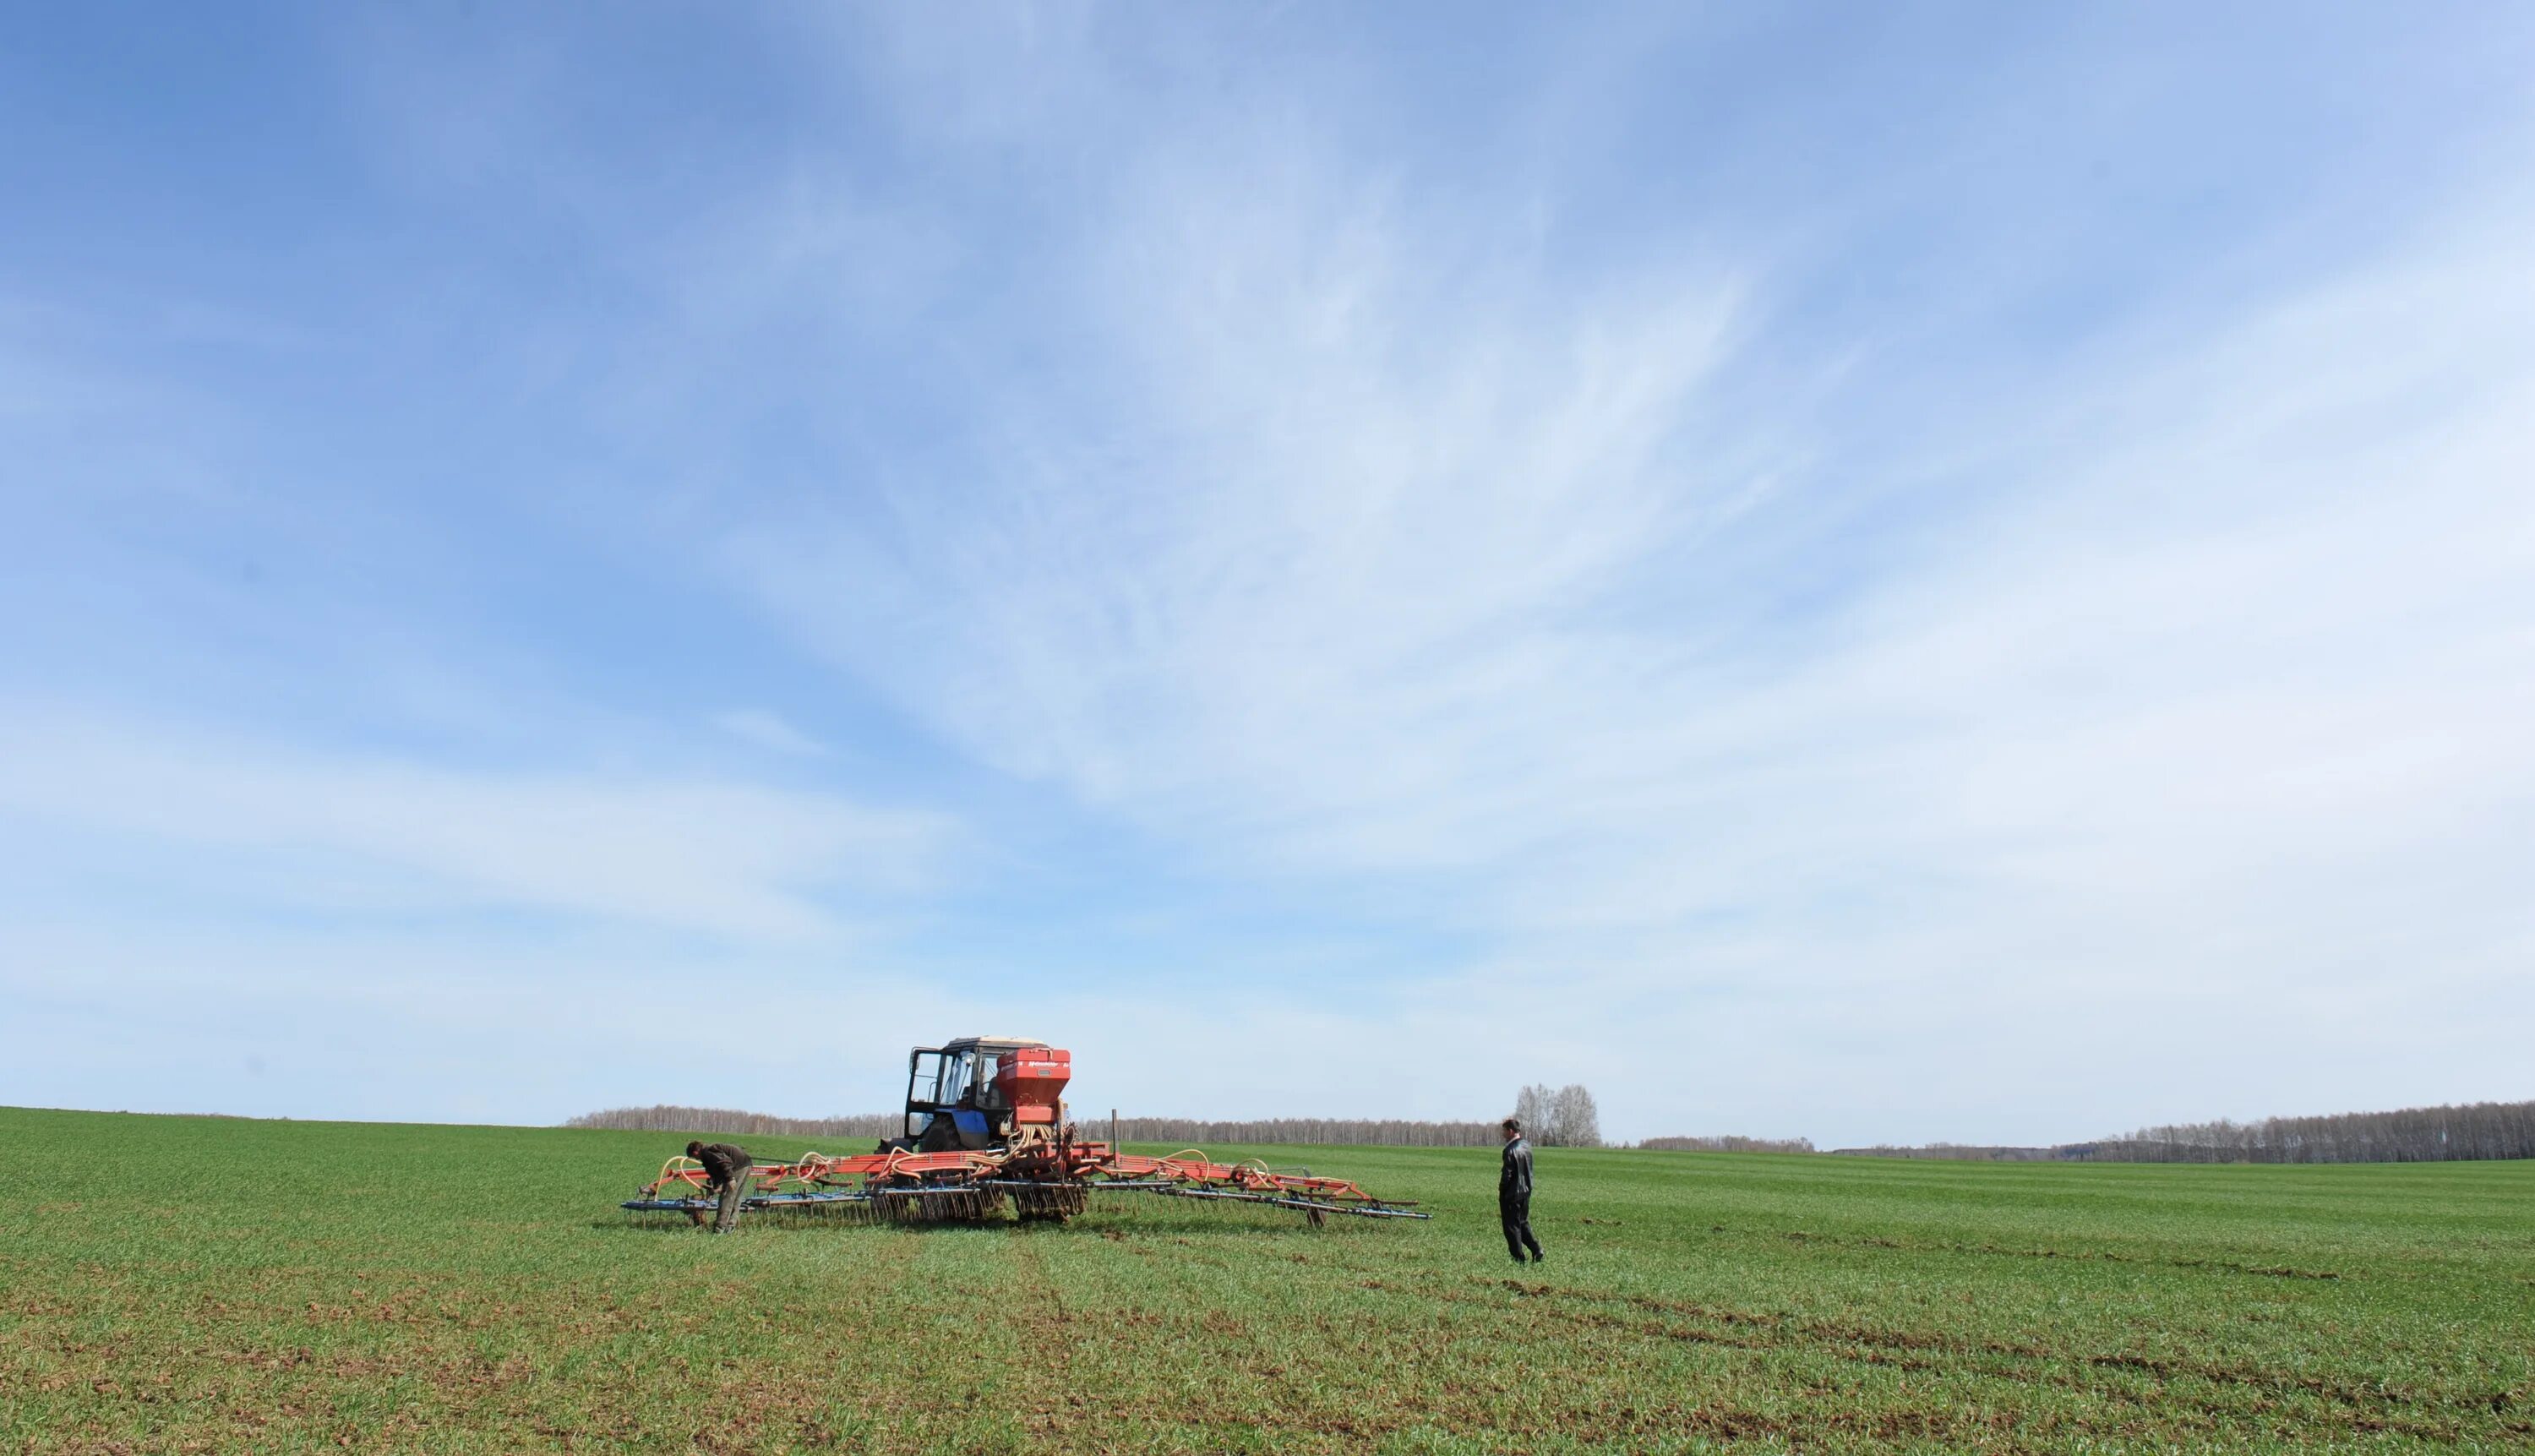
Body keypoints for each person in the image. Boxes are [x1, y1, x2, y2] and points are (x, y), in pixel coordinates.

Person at [685, 1140, 753, 1235]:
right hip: (746, 1164)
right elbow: (717, 1172)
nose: (697, 1159)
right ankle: (730, 1226)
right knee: (736, 1198)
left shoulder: (709, 1152)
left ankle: (719, 1228)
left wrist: (730, 1178)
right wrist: (716, 1186)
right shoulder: (708, 1155)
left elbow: (725, 1162)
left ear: (695, 1152)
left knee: (727, 1197)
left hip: (738, 1167)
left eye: (695, 1157)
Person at [1500, 1116, 1542, 1264]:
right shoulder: (1527, 1146)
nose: (1503, 1134)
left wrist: (1502, 1192)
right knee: (1522, 1222)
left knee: (1511, 1227)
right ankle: (1537, 1250)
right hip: (1526, 1191)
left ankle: (1518, 1258)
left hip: (1512, 1194)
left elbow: (1507, 1175)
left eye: (1504, 1131)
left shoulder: (1509, 1150)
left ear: (1510, 1131)